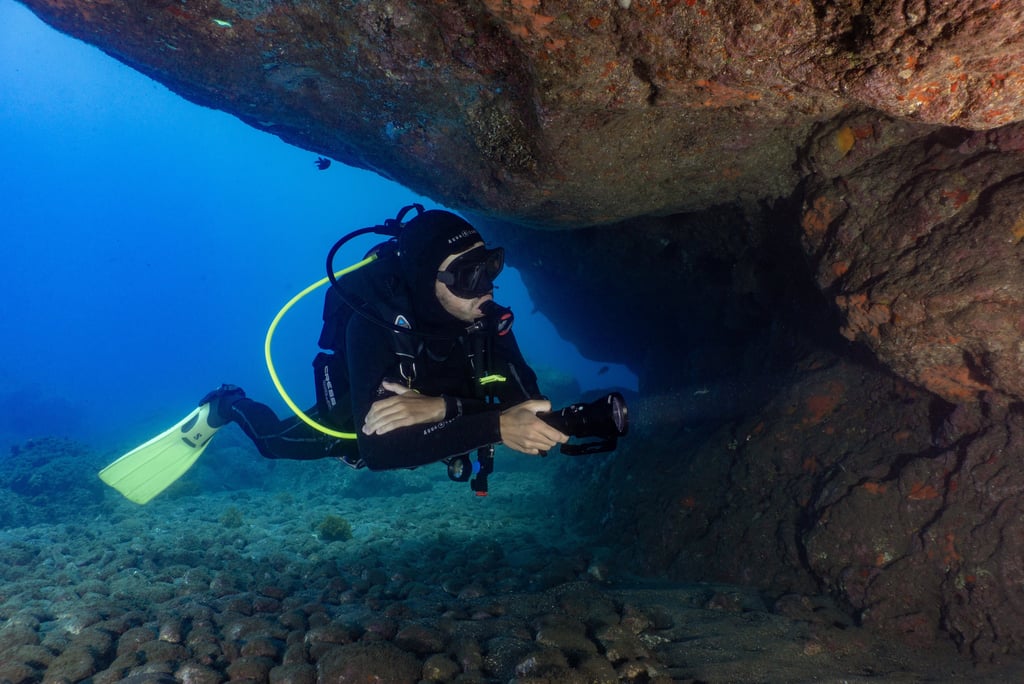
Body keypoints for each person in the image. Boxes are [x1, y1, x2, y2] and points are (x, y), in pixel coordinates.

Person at [200, 209, 569, 471]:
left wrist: (444, 407)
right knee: (274, 444)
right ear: (427, 282)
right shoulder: (373, 325)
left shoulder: (485, 318)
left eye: (489, 267)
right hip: (358, 416)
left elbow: (530, 405)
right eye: (466, 276)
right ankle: (227, 403)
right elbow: (379, 452)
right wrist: (495, 424)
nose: (485, 287)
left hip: (444, 416)